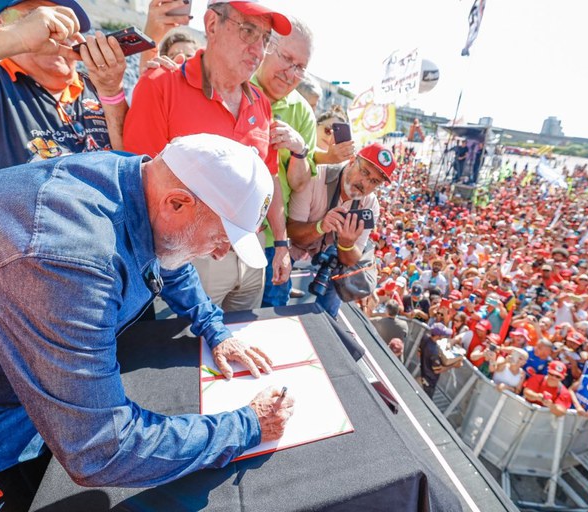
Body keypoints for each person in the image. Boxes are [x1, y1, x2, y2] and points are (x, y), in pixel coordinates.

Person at [0, 134, 295, 507]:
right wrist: (247, 426)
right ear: (177, 203)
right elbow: (101, 447)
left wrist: (214, 329)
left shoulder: (142, 178)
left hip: (15, 402)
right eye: (220, 238)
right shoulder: (72, 257)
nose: (221, 254)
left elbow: (170, 257)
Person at [124, 0, 293, 312]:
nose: (258, 50)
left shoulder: (261, 104)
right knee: (186, 343)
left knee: (239, 339)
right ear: (212, 24)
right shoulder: (161, 84)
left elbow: (269, 179)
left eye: (265, 39)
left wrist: (281, 243)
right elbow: (138, 190)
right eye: (248, 31)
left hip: (250, 252)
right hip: (190, 261)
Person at [0, 0, 136, 172]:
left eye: (66, 20)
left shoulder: (100, 86)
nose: (57, 31)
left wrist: (112, 93)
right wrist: (16, 37)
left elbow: (132, 168)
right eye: (35, 16)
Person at [251, 17, 317, 307]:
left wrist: (299, 150)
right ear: (267, 46)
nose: (291, 73)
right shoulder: (235, 85)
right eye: (287, 59)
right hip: (221, 241)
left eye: (300, 67)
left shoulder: (302, 112)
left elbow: (299, 184)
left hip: (272, 244)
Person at [287, 142, 396, 316]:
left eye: (374, 181)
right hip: (295, 248)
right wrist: (320, 226)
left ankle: (327, 321)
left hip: (331, 259)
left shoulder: (370, 204)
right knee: (276, 293)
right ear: (352, 160)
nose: (365, 183)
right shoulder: (316, 176)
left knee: (333, 294)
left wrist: (346, 244)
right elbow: (292, 233)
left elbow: (352, 261)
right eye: (364, 172)